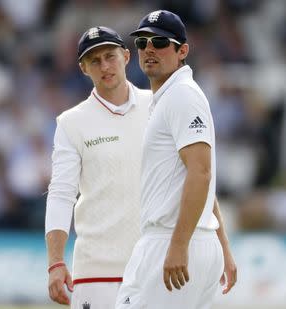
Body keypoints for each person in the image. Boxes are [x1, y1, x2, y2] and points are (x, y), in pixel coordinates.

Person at [116, 10, 236, 308]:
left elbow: (201, 173)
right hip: (186, 240)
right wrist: (223, 248)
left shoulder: (182, 95)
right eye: (142, 43)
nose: (149, 49)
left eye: (159, 42)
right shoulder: (169, 97)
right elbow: (199, 179)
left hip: (172, 240)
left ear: (182, 50)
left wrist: (179, 245)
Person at [45, 26, 152, 308]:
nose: (105, 66)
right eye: (95, 61)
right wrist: (56, 262)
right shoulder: (71, 123)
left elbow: (191, 174)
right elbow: (61, 193)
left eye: (110, 56)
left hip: (155, 264)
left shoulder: (158, 106)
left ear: (126, 56)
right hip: (98, 272)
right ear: (83, 68)